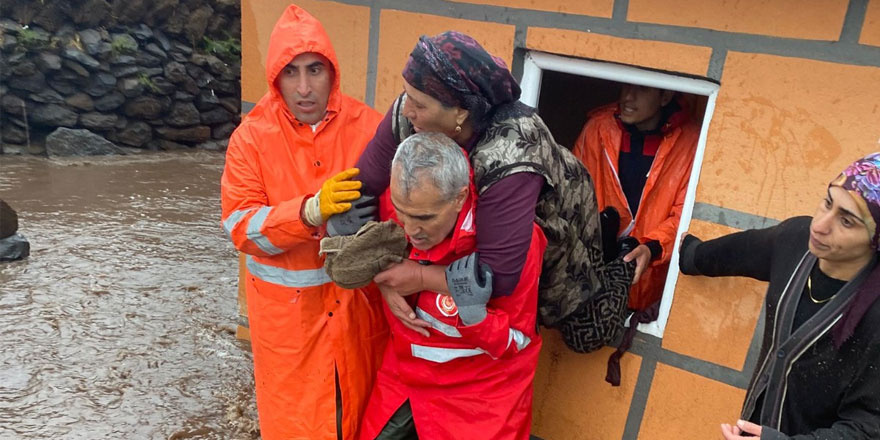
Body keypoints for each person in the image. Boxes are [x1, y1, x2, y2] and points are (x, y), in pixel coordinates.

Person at [355, 31, 630, 347]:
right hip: (472, 246)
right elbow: (357, 191)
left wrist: (415, 277)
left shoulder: (513, 152)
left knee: (580, 325)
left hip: (560, 229)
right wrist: (384, 274)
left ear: (460, 112)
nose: (406, 110)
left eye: (418, 104)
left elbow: (496, 277)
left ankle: (620, 264)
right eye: (406, 97)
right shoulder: (412, 115)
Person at [219, 5, 386, 439]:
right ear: (275, 78)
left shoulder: (370, 127)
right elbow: (242, 228)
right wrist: (310, 212)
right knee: (295, 426)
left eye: (315, 69)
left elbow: (402, 217)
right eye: (291, 73)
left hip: (359, 313)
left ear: (333, 71)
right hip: (287, 325)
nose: (305, 87)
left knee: (358, 417)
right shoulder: (250, 139)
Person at [358, 132, 545, 440]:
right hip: (406, 376)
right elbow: (352, 244)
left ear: (459, 197)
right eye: (400, 212)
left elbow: (519, 341)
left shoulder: (512, 240)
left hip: (482, 394)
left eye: (424, 218)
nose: (410, 229)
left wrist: (475, 317)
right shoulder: (407, 199)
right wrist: (386, 283)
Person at [679, 153, 880, 439]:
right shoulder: (795, 241)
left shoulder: (875, 312)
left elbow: (869, 426)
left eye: (847, 222)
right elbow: (737, 252)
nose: (821, 225)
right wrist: (686, 253)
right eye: (827, 203)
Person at [572, 83, 700, 312]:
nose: (628, 97)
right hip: (591, 278)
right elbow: (571, 195)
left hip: (650, 288)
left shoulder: (691, 143)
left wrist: (651, 248)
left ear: (665, 96)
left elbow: (685, 215)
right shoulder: (598, 129)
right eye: (625, 86)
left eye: (642, 89)